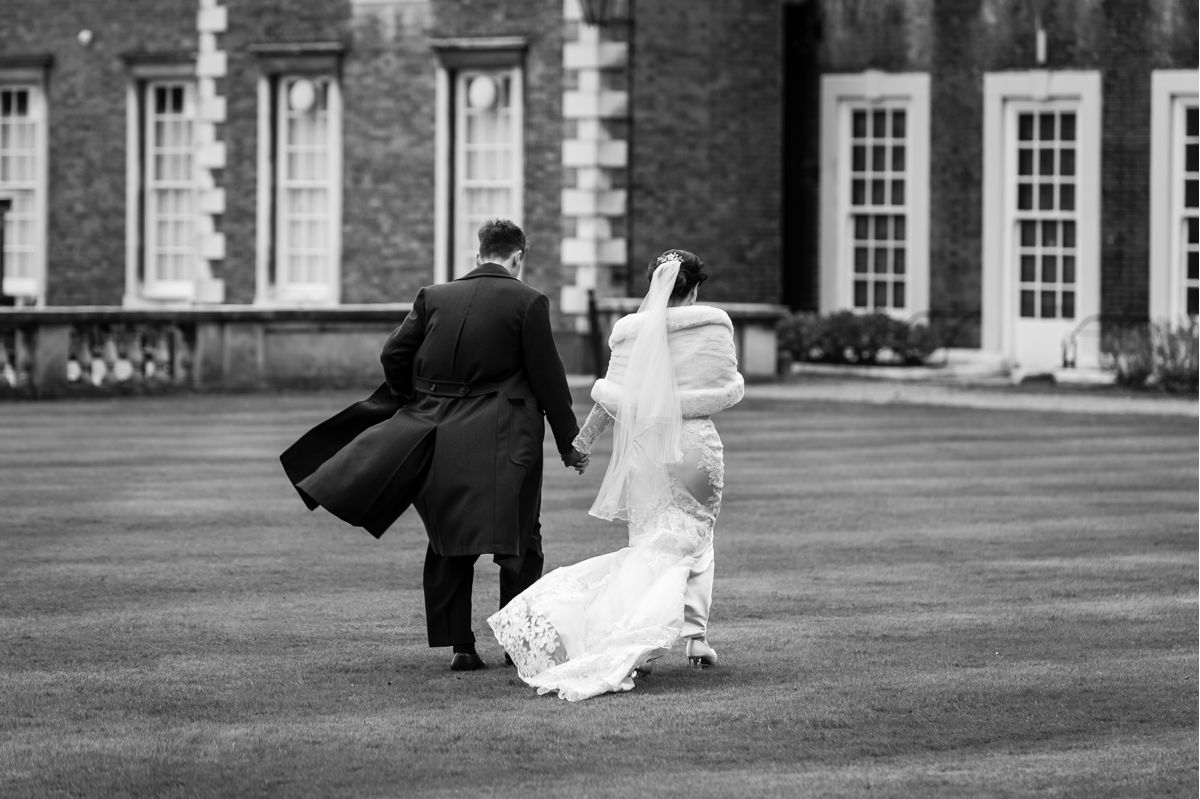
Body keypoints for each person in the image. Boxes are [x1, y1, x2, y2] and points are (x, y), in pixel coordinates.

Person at [280, 219, 587, 671]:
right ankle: (516, 645)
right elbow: (549, 378)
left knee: (450, 538)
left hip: (437, 433)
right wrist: (568, 443)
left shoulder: (433, 296)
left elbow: (393, 355)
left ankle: (461, 647)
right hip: (507, 438)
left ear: (478, 252)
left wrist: (416, 402)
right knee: (521, 540)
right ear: (518, 257)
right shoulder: (529, 300)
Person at [487, 248, 744, 701]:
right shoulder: (711, 326)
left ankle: (640, 643)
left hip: (647, 453)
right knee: (697, 535)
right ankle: (694, 637)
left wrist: (580, 445)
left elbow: (609, 399)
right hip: (693, 448)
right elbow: (725, 391)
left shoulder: (629, 334)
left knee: (649, 542)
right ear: (696, 287)